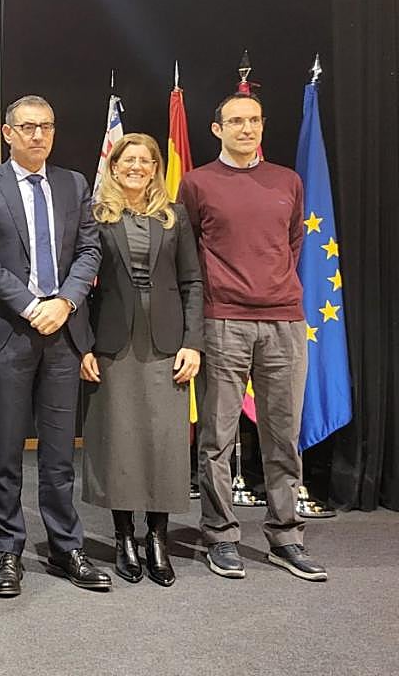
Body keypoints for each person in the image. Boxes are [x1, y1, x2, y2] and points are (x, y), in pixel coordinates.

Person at [0, 94, 107, 596]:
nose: (38, 136)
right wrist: (30, 305)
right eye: (27, 127)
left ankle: (67, 547)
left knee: (61, 450)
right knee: (5, 448)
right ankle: (7, 551)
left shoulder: (73, 183)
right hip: (9, 330)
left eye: (46, 126)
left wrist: (64, 303)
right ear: (8, 133)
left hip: (63, 331)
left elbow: (90, 249)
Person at [178, 93, 327, 582]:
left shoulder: (288, 180)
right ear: (216, 129)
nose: (247, 128)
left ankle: (286, 536)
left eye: (255, 121)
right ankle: (219, 536)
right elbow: (190, 254)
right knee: (217, 439)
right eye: (236, 121)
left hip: (284, 321)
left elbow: (291, 244)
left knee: (282, 436)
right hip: (224, 321)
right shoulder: (197, 183)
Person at [79, 133, 203, 587]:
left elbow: (192, 283)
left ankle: (158, 537)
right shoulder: (95, 217)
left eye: (145, 160)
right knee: (120, 440)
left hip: (167, 345)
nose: (136, 166)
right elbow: (81, 285)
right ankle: (123, 536)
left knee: (164, 442)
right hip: (113, 345)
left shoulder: (176, 218)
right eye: (128, 160)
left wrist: (194, 342)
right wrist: (84, 346)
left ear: (155, 168)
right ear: (114, 167)